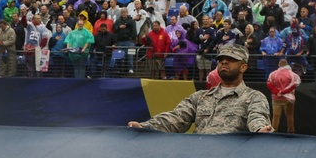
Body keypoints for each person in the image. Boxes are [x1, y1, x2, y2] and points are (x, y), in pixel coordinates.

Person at [128, 45, 272, 133]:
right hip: (197, 157)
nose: (224, 62)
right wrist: (145, 127)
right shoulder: (200, 97)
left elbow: (257, 118)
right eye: (221, 59)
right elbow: (177, 118)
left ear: (244, 67)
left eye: (231, 59)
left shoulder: (254, 97)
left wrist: (260, 130)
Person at [267, 59, 301, 133]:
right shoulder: (293, 75)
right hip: (289, 99)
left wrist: (277, 92)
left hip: (276, 98)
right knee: (290, 116)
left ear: (279, 65)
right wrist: (284, 92)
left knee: (275, 117)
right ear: (287, 65)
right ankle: (291, 131)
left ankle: (274, 132)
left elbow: (269, 84)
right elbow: (295, 84)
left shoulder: (273, 74)